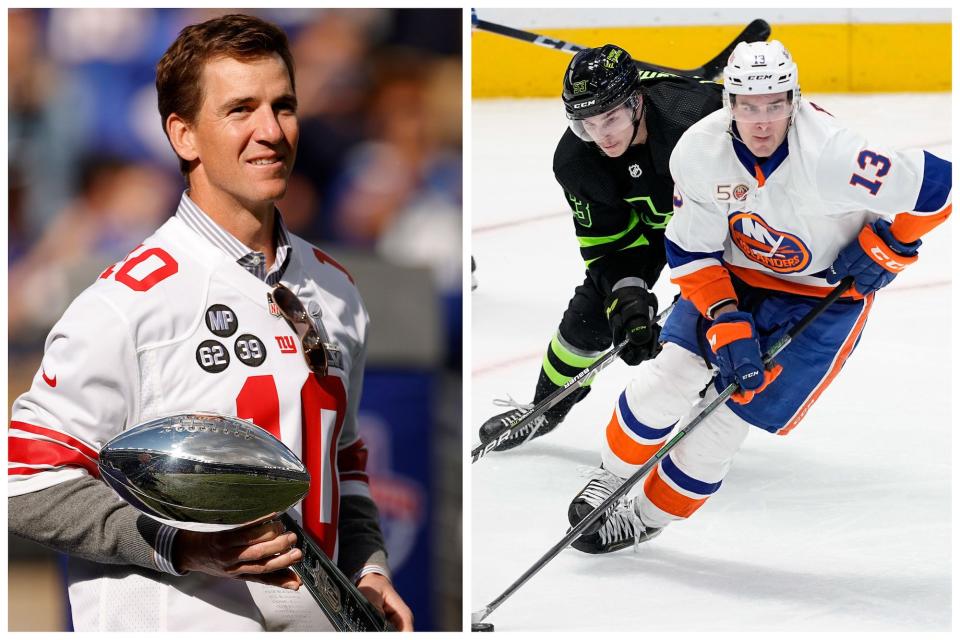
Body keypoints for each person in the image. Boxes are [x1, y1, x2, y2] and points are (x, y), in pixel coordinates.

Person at [8, 14, 414, 631]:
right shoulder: (126, 303)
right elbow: (23, 485)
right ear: (184, 135)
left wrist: (368, 572)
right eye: (240, 110)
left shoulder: (337, 289)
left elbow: (345, 461)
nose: (270, 131)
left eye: (284, 106)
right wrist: (181, 546)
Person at [567, 40, 951, 554]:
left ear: (794, 100)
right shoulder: (700, 152)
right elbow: (689, 248)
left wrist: (889, 245)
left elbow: (939, 188)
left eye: (775, 104)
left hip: (822, 296)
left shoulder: (836, 154)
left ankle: (644, 518)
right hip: (737, 275)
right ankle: (611, 478)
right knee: (667, 381)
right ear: (729, 103)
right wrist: (725, 319)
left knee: (721, 425)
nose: (762, 120)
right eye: (748, 106)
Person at [477, 44, 723, 450]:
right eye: (586, 123)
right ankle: (546, 407)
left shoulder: (698, 119)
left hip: (716, 230)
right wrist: (626, 297)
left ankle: (705, 400)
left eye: (610, 117)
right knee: (592, 316)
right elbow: (610, 248)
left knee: (708, 315)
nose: (601, 134)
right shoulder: (576, 161)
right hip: (649, 232)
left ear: (637, 102)